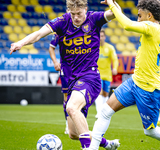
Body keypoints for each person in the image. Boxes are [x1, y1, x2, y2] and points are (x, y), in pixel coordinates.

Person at [10, 0, 121, 149]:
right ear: (69, 11)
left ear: (85, 10)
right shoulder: (62, 22)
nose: (76, 17)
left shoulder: (94, 18)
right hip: (71, 81)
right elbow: (39, 34)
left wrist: (112, 3)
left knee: (72, 107)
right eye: (73, 14)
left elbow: (116, 13)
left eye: (79, 14)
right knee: (73, 133)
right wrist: (21, 43)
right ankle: (107, 144)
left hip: (90, 77)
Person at [88, 0, 160, 150]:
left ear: (149, 16)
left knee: (150, 131)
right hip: (134, 82)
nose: (138, 19)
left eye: (139, 16)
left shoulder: (151, 27)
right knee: (105, 111)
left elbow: (127, 25)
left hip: (149, 90)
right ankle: (92, 148)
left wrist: (111, 4)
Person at [95, 29, 119, 119]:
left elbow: (115, 59)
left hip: (107, 75)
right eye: (99, 36)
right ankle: (99, 112)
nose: (101, 38)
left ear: (104, 37)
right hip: (97, 74)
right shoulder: (94, 47)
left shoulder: (110, 47)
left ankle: (103, 110)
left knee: (105, 94)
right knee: (99, 92)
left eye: (102, 36)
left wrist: (115, 68)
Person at [49, 33, 69, 134]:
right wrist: (55, 62)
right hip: (66, 68)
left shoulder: (82, 29)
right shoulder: (59, 31)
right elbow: (51, 47)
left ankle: (79, 122)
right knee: (67, 97)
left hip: (81, 68)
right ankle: (68, 124)